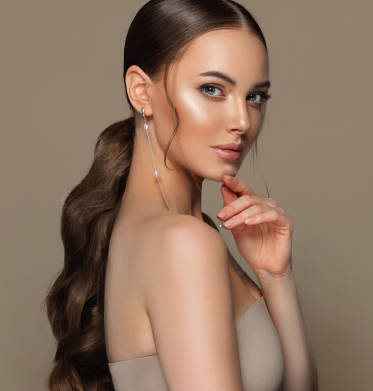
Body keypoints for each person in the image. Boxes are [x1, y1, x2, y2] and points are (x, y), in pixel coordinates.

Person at [44, 0, 318, 390]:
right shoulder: (184, 243)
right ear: (141, 91)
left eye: (255, 97)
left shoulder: (174, 231)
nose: (242, 120)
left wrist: (277, 275)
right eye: (212, 89)